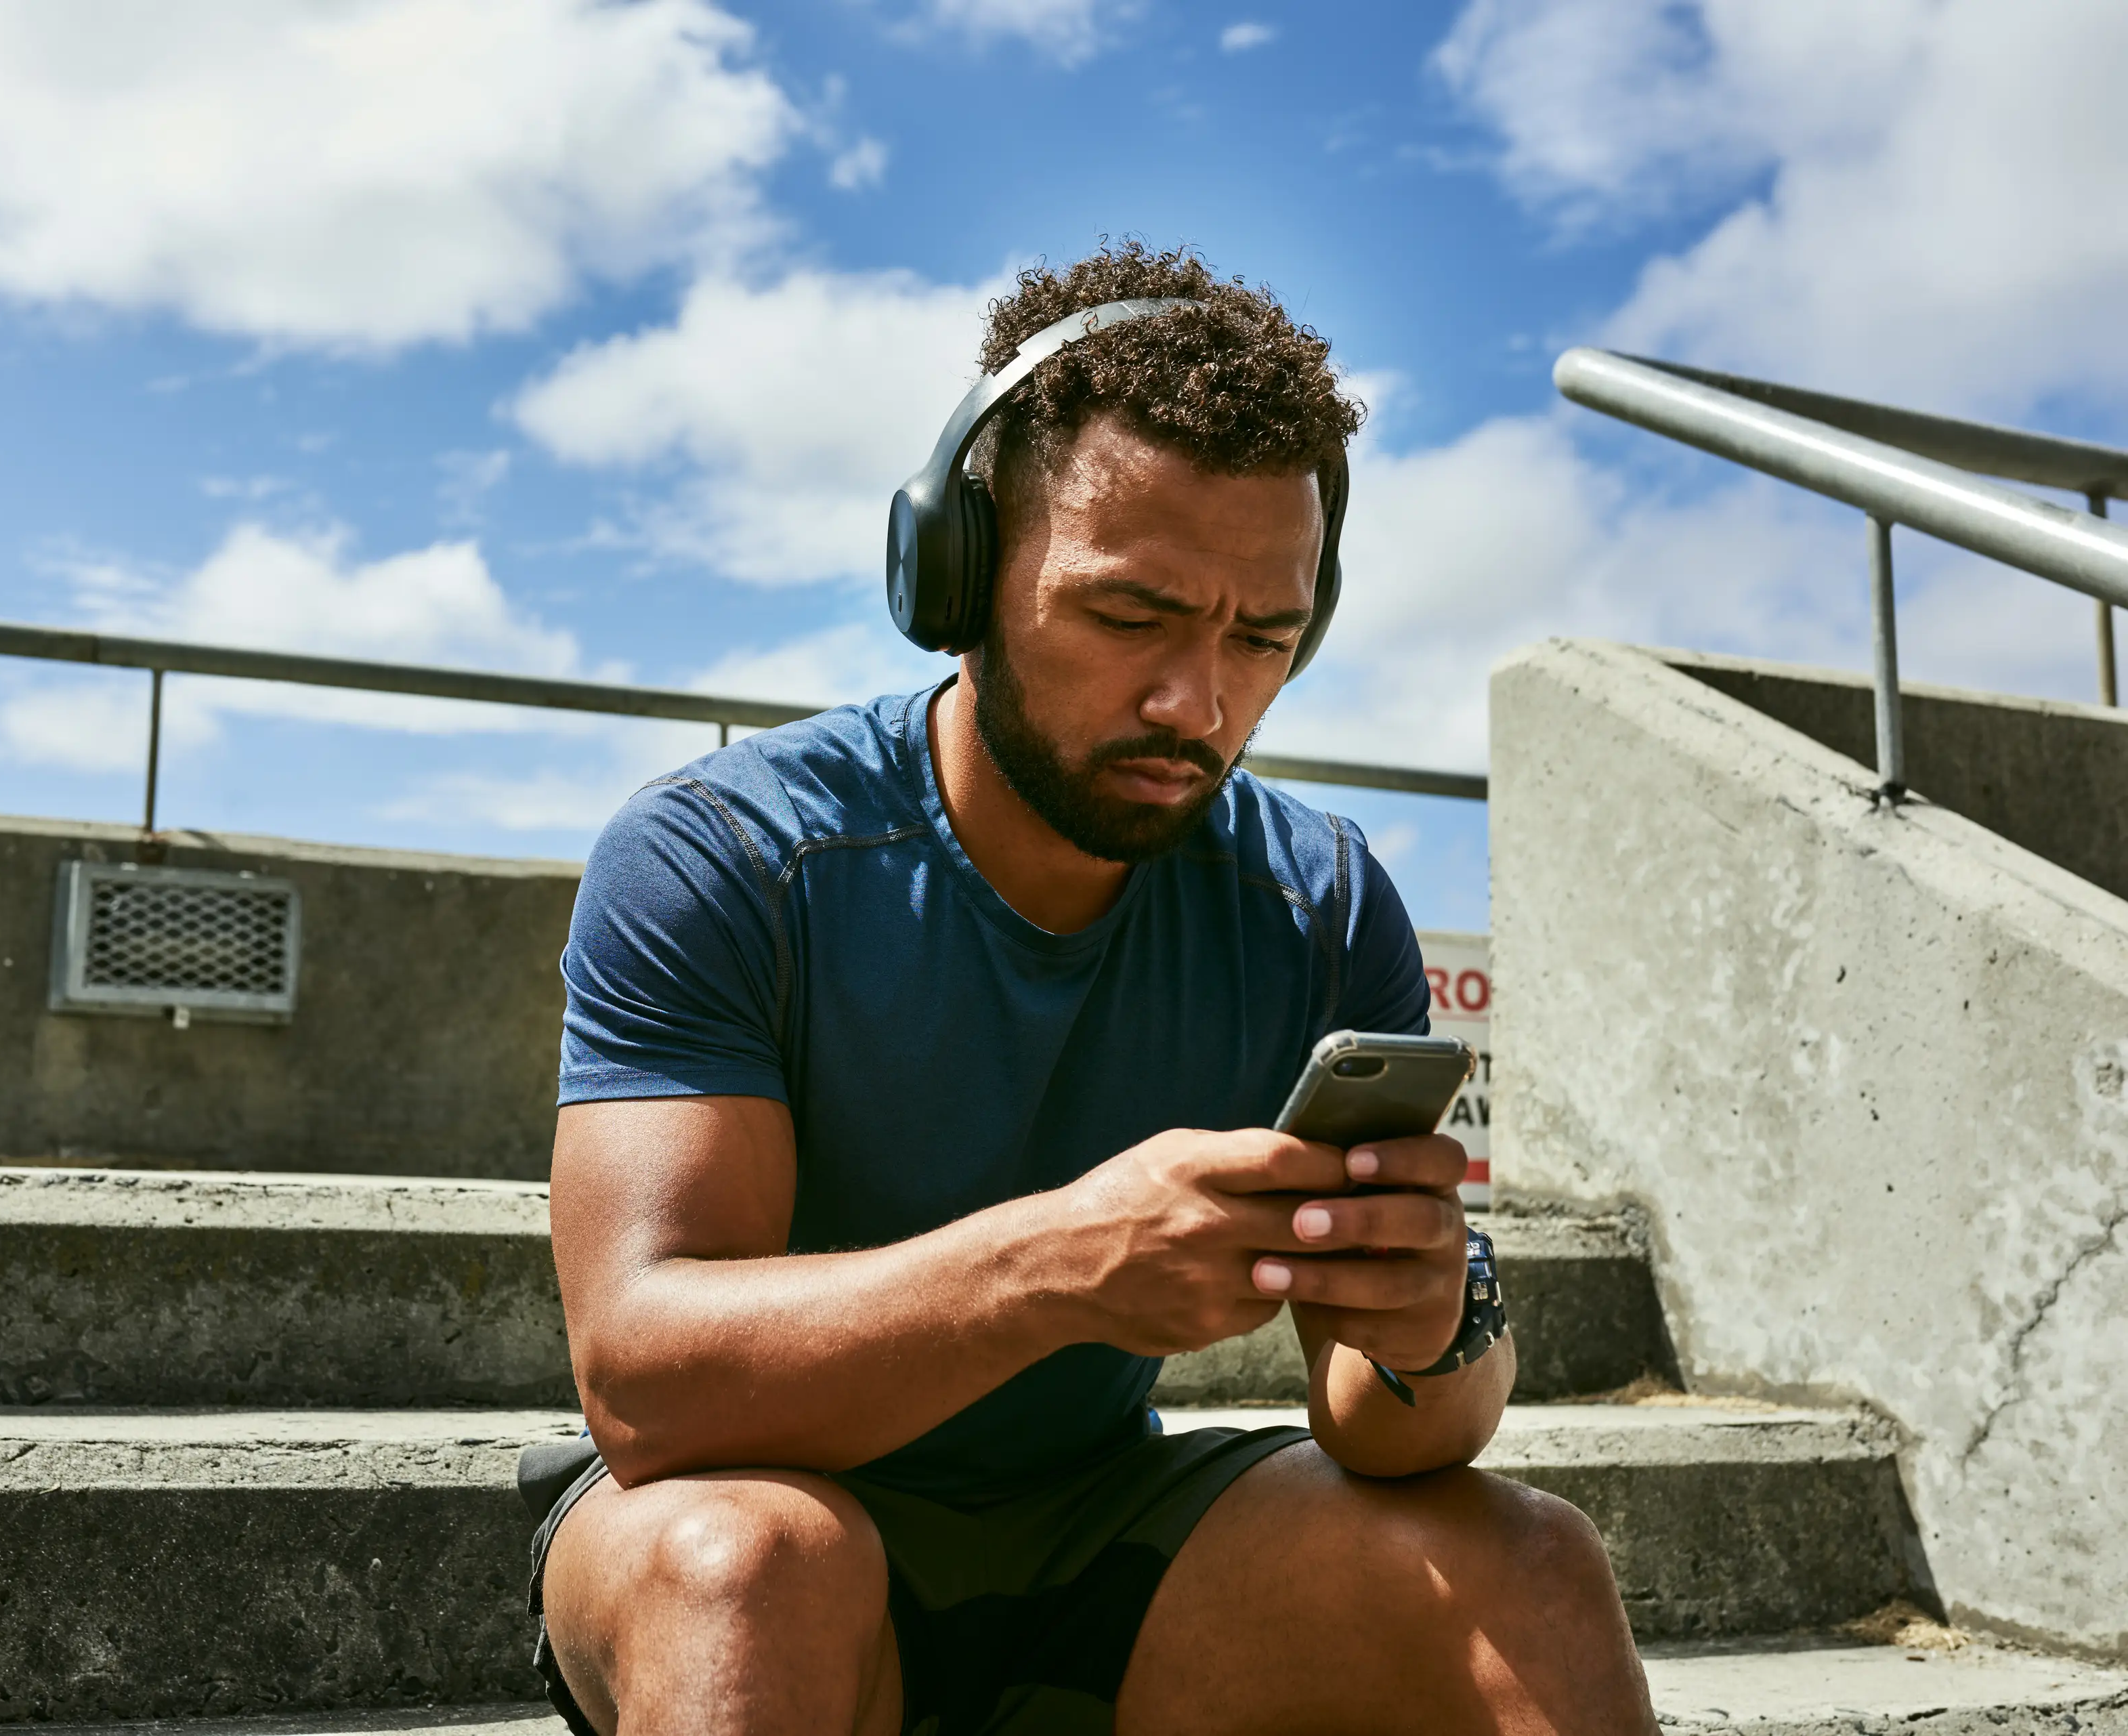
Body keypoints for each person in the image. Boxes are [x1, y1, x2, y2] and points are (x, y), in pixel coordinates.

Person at [526, 241, 1657, 1735]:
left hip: (1105, 1533)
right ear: (957, 570)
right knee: (747, 1566)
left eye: (1263, 638)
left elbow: (1393, 1441)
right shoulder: (728, 858)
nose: (1199, 705)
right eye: (1131, 618)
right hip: (743, 1517)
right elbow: (646, 1388)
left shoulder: (1317, 902)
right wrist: (1060, 1266)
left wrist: (1432, 1324)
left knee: (1531, 1562)